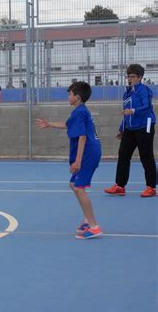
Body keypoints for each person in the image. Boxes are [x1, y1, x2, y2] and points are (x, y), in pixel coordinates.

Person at [35, 82, 102, 240]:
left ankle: (94, 227)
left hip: (88, 154)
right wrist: (49, 124)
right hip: (89, 152)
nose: (68, 96)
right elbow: (67, 125)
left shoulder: (79, 113)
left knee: (79, 188)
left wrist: (78, 161)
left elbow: (82, 137)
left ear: (77, 97)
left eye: (70, 93)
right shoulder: (79, 111)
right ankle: (87, 220)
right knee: (74, 185)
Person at [104, 64, 156, 197]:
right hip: (130, 128)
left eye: (133, 76)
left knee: (146, 156)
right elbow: (126, 113)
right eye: (128, 76)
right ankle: (120, 186)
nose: (129, 78)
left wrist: (133, 110)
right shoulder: (127, 93)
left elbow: (147, 106)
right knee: (123, 154)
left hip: (145, 125)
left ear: (140, 77)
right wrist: (122, 128)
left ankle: (151, 187)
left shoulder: (144, 90)